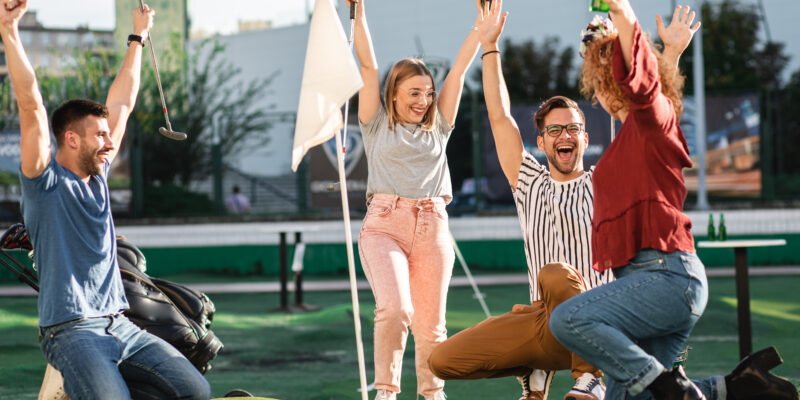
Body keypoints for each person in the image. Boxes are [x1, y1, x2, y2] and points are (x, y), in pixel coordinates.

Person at [428, 2, 695, 400]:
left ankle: (590, 379)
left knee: (555, 273)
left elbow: (651, 121)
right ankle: (537, 369)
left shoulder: (604, 180)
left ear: (585, 138)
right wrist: (489, 47)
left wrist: (669, 54)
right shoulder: (528, 181)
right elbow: (499, 115)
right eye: (554, 130)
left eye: (573, 128)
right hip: (543, 321)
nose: (564, 135)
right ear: (541, 142)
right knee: (441, 360)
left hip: (598, 321)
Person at [548, 1, 799, 400]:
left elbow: (644, 84)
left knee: (567, 320)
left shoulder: (652, 120)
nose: (596, 95)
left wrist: (619, 10)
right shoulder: (642, 129)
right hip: (648, 285)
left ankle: (671, 385)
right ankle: (733, 387)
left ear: (611, 81)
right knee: (631, 398)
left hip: (666, 279)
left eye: (599, 84)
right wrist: (673, 54)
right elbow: (652, 84)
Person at [1, 1, 211, 398]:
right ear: (71, 139)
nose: (110, 142)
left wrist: (138, 37)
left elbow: (123, 103)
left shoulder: (97, 177)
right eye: (100, 135)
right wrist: (9, 30)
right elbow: (31, 106)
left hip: (121, 324)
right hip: (72, 331)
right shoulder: (44, 182)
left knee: (194, 391)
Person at [345, 0, 482, 398]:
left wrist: (479, 27)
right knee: (395, 308)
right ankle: (386, 392)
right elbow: (369, 67)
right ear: (394, 93)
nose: (423, 100)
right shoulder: (375, 125)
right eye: (414, 93)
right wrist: (359, 13)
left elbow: (458, 71)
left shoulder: (438, 125)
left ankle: (431, 394)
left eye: (427, 93)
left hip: (433, 226)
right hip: (384, 225)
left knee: (431, 326)